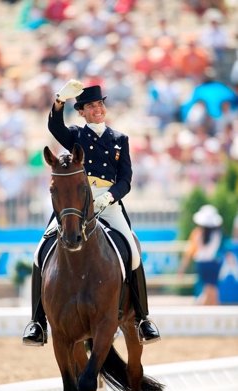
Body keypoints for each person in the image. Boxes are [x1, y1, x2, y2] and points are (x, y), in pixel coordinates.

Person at [23, 80, 160, 346]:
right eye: (90, 106)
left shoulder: (120, 139)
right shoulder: (76, 135)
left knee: (132, 252)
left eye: (99, 104)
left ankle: (143, 318)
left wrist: (109, 197)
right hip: (78, 203)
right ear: (82, 112)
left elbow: (126, 179)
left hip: (108, 204)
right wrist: (59, 100)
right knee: (40, 252)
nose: (97, 109)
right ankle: (37, 322)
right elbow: (54, 126)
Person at [178, 204, 224, 305]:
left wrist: (182, 268)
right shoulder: (217, 233)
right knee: (212, 291)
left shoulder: (197, 233)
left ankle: (200, 308)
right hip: (213, 264)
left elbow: (190, 251)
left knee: (209, 291)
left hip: (201, 264)